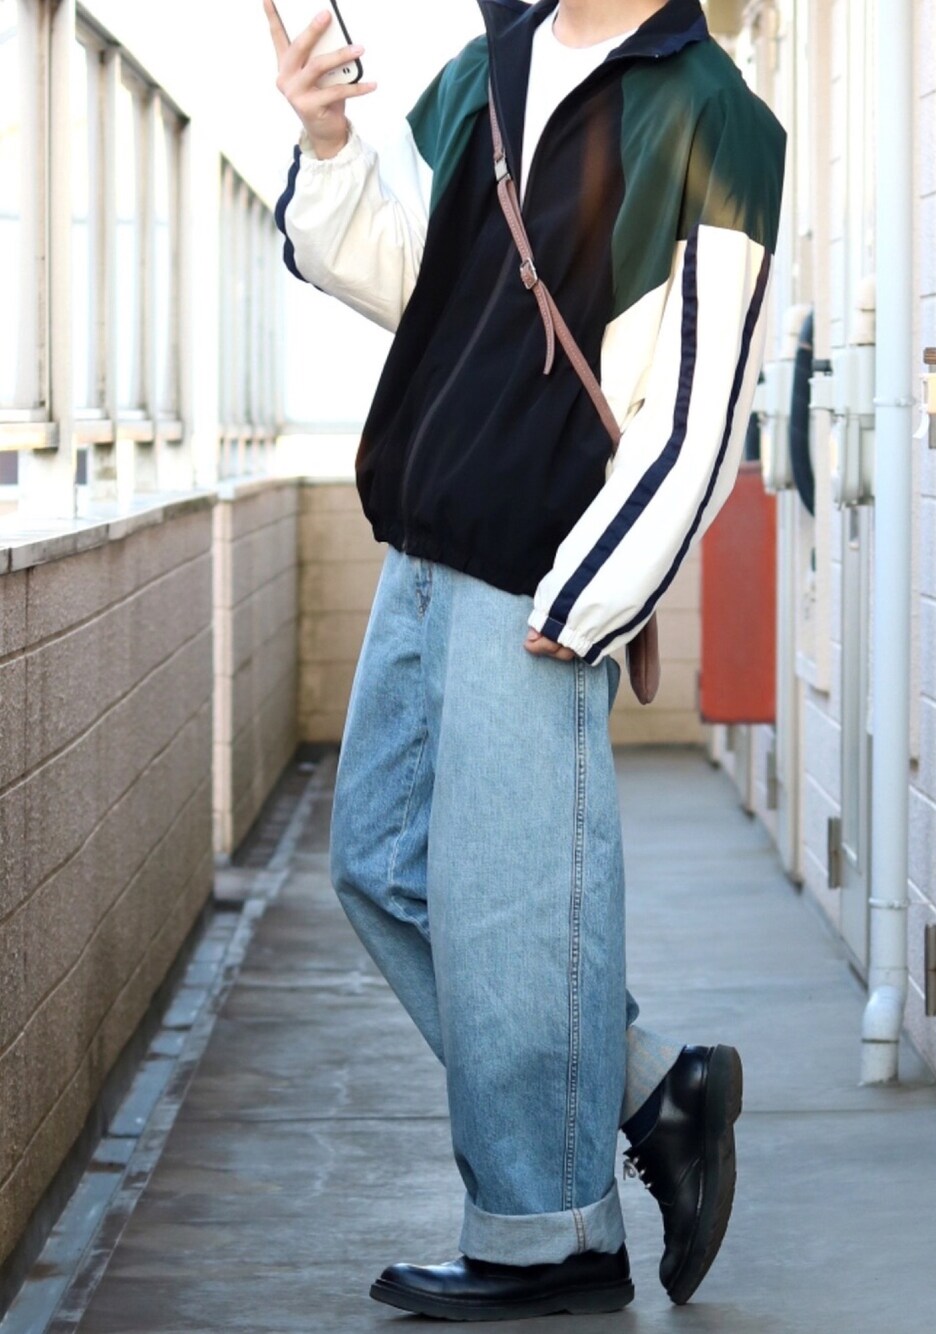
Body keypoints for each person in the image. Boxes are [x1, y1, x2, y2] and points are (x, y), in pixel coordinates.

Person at [266, 0, 785, 1320]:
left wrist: (586, 600)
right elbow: (411, 272)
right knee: (381, 863)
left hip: (541, 576)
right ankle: (652, 1090)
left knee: (513, 908)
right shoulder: (487, 65)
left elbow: (699, 410)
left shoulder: (714, 116)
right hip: (423, 547)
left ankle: (550, 1234)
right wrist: (328, 143)